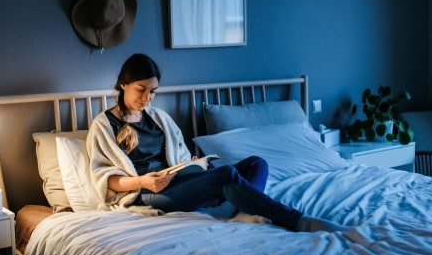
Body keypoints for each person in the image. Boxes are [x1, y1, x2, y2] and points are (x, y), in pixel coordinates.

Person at [86, 53, 346, 232]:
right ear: (123, 85)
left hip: (174, 182)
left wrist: (194, 165)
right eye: (141, 89)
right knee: (226, 176)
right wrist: (143, 182)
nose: (147, 97)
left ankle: (242, 210)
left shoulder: (159, 118)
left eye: (152, 91)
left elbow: (180, 155)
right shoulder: (104, 125)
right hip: (146, 194)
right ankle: (297, 220)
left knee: (257, 163)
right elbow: (105, 176)